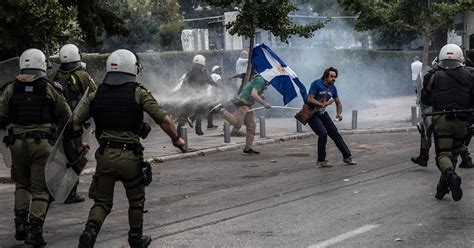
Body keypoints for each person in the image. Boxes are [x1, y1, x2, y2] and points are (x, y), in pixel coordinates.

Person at [75, 49, 185, 248]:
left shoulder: (95, 93)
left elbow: (75, 123)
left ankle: (89, 232)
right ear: (132, 69)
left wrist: (79, 145)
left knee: (101, 202)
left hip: (105, 156)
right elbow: (165, 120)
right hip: (129, 157)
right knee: (136, 199)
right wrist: (177, 140)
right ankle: (135, 239)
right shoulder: (138, 92)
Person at [0, 48, 72, 246]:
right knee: (40, 189)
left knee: (22, 184)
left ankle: (20, 225)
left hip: (16, 144)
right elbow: (66, 115)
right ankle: (35, 231)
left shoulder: (10, 88)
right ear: (42, 64)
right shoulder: (50, 87)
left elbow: (1, 115)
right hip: (42, 145)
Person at [420, 44, 474, 201]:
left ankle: (451, 176)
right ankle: (443, 187)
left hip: (442, 120)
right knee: (454, 155)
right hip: (463, 121)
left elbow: (425, 98)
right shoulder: (470, 75)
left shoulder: (434, 75)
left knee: (442, 155)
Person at [49, 43, 97, 204]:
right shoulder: (82, 75)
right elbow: (94, 94)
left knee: (57, 158)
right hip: (75, 124)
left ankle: (49, 191)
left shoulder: (54, 76)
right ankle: (70, 192)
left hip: (56, 125)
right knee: (76, 157)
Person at [306, 67, 357, 167]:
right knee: (323, 133)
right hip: (312, 114)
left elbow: (338, 103)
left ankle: (347, 157)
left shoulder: (333, 88)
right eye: (331, 76)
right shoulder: (317, 84)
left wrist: (339, 113)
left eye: (335, 77)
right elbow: (310, 99)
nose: (334, 78)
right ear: (326, 76)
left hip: (322, 114)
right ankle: (321, 161)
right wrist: (323, 104)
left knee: (334, 133)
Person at [210, 73, 271, 154]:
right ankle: (221, 110)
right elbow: (254, 94)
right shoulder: (260, 80)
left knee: (252, 127)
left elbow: (256, 94)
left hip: (249, 104)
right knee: (237, 124)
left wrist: (263, 99)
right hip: (243, 103)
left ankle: (248, 148)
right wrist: (264, 103)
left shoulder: (262, 81)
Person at [176, 54, 216, 136]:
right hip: (199, 96)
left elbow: (184, 84)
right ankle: (197, 128)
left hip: (192, 96)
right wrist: (218, 86)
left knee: (186, 114)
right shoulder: (204, 73)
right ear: (203, 64)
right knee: (200, 112)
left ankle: (179, 132)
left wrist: (183, 94)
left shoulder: (190, 72)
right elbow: (210, 81)